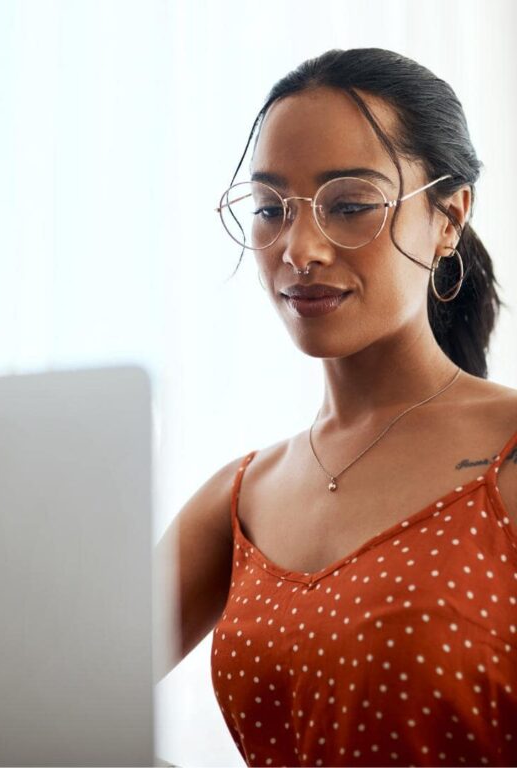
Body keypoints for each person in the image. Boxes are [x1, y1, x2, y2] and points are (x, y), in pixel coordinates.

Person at [155, 47, 517, 767]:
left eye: (349, 205)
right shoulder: (239, 499)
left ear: (449, 217)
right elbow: (48, 699)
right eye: (269, 210)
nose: (300, 248)